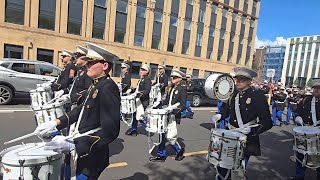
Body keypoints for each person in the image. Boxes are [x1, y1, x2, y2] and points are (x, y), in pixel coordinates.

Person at [34, 42, 121, 179]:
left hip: (93, 154)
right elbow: (80, 110)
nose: (87, 65)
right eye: (87, 63)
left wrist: (76, 145)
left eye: (91, 63)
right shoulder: (96, 84)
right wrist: (55, 123)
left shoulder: (108, 88)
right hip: (85, 150)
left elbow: (110, 131)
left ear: (104, 66)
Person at [212, 67, 272, 180]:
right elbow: (227, 109)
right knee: (223, 165)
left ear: (249, 81)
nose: (238, 81)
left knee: (238, 170)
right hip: (230, 135)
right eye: (237, 79)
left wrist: (252, 130)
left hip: (246, 138)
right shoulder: (234, 94)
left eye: (242, 79)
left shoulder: (257, 95)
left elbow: (267, 122)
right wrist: (221, 115)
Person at [149, 69, 187, 162]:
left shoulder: (182, 89)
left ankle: (179, 150)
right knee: (161, 134)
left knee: (170, 136)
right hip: (165, 114)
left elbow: (183, 105)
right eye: (172, 77)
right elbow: (167, 101)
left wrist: (173, 111)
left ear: (180, 78)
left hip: (173, 115)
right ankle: (161, 155)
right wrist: (158, 104)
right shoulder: (171, 87)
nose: (173, 78)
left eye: (175, 77)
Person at [289, 78, 320, 180]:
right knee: (301, 155)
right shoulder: (307, 99)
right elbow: (297, 112)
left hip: (318, 135)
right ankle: (299, 176)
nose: (316, 90)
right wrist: (297, 117)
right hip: (304, 132)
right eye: (315, 88)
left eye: (319, 88)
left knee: (318, 158)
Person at [125, 63, 152, 136]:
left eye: (143, 70)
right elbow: (138, 89)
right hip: (137, 101)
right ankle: (134, 130)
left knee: (140, 117)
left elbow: (147, 90)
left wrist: (138, 95)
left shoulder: (147, 80)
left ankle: (149, 128)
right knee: (135, 115)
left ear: (147, 72)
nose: (141, 71)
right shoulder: (141, 79)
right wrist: (132, 90)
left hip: (143, 101)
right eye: (141, 69)